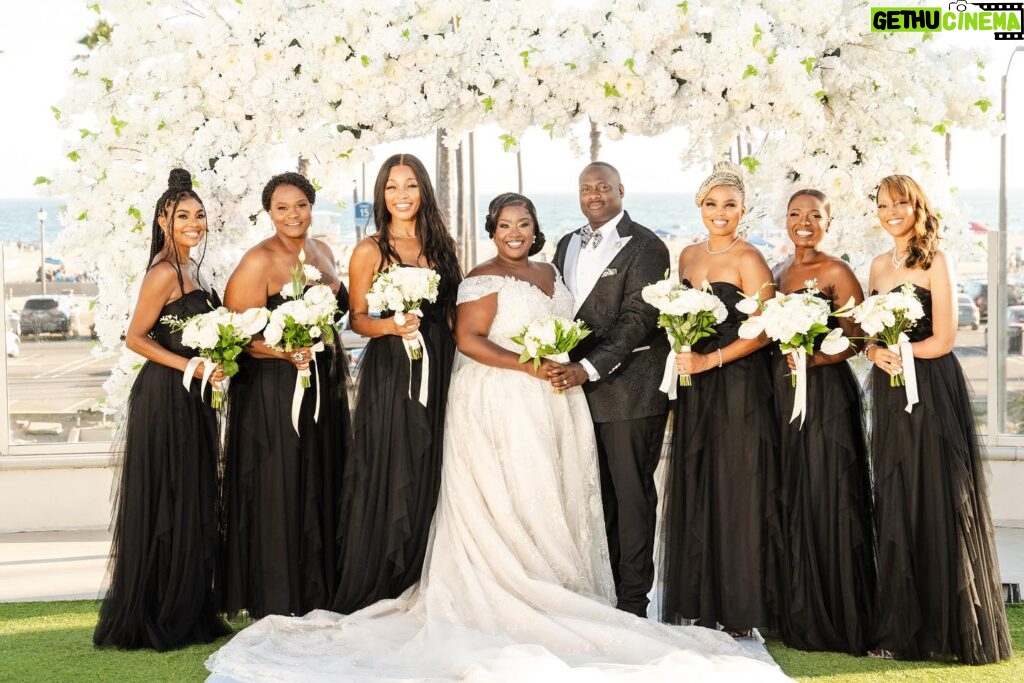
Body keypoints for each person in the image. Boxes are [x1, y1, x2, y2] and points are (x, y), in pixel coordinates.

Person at [205, 193, 788, 681]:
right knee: (509, 495)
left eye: (524, 224)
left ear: (536, 231)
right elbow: (468, 341)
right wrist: (529, 367)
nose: (514, 232)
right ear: (492, 231)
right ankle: (510, 590)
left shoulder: (551, 271)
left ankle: (566, 587)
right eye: (504, 224)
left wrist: (563, 368)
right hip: (502, 397)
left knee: (553, 495)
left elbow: (577, 328)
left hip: (555, 399)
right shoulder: (481, 277)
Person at [866, 174, 1010, 663]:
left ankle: (945, 631)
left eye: (900, 203)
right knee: (895, 494)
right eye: (884, 204)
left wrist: (902, 353)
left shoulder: (936, 261)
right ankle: (898, 628)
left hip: (930, 389)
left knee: (935, 492)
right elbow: (871, 333)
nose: (891, 212)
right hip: (889, 391)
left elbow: (945, 338)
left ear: (917, 206)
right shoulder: (877, 267)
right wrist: (873, 351)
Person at [94, 168, 230, 650]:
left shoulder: (194, 269)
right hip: (164, 397)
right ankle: (159, 612)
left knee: (192, 492)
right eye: (183, 216)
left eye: (199, 215)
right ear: (162, 221)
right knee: (169, 496)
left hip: (191, 398)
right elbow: (135, 338)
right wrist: (192, 366)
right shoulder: (163, 272)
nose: (194, 223)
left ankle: (188, 605)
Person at [331, 153, 461, 613]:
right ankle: (386, 575)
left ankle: (428, 573)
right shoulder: (370, 250)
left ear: (423, 190)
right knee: (392, 460)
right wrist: (393, 327)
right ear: (381, 194)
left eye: (409, 185)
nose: (401, 195)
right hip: (392, 370)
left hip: (440, 362)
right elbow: (358, 319)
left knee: (435, 462)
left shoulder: (443, 245)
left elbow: (452, 312)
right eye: (391, 186)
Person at [219, 171, 350, 619]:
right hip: (275, 390)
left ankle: (319, 591)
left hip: (324, 384)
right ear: (269, 213)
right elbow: (234, 336)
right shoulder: (258, 260)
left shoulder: (323, 251)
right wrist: (282, 351)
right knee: (282, 484)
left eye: (301, 205)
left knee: (320, 478)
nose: (292, 214)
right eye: (282, 207)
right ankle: (278, 595)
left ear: (312, 206)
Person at [661, 161, 781, 637]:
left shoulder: (750, 259)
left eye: (730, 204)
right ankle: (701, 598)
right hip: (696, 385)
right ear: (700, 206)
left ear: (743, 210)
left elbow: (766, 329)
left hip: (738, 383)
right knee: (701, 480)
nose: (720, 212)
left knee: (737, 485)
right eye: (712, 204)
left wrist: (713, 361)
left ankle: (740, 606)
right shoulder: (687, 256)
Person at [549, 161, 671, 619]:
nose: (594, 194)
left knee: (632, 495)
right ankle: (604, 588)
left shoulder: (648, 246)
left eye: (603, 187)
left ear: (621, 189)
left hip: (630, 392)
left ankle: (633, 601)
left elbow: (638, 320)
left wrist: (587, 368)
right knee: (595, 497)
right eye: (586, 188)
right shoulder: (566, 243)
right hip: (578, 395)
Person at [771, 189, 876, 654]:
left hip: (827, 397)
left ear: (828, 222)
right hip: (783, 394)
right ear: (786, 221)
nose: (804, 222)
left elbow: (859, 339)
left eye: (815, 215)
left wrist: (813, 359)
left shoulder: (837, 271)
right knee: (793, 495)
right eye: (796, 214)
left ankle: (840, 616)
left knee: (829, 493)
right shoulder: (777, 272)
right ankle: (799, 610)